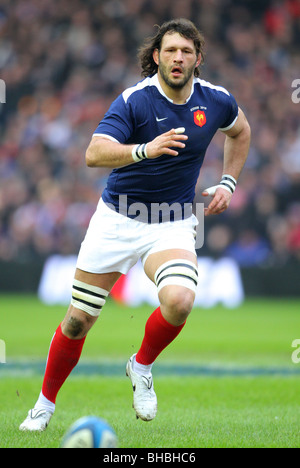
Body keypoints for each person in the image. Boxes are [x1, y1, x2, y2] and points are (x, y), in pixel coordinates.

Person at [20, 18, 251, 431]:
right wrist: (146, 150)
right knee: (78, 320)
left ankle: (141, 365)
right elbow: (94, 153)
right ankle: (43, 405)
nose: (177, 58)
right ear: (156, 57)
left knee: (180, 301)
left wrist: (229, 183)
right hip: (117, 219)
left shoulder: (216, 100)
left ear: (198, 58)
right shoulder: (134, 100)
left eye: (186, 51)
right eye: (170, 51)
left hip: (173, 221)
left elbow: (241, 131)